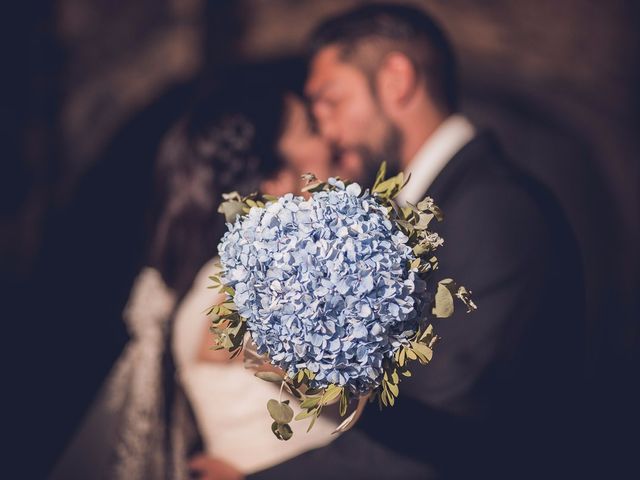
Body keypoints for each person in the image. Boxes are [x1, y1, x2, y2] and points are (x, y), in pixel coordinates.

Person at [248, 4, 586, 479]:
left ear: (396, 80)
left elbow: (443, 426)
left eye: (330, 100)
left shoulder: (493, 207)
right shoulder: (420, 209)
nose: (323, 127)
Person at [49, 58, 339, 480]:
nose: (330, 137)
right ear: (276, 177)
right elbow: (240, 347)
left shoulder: (223, 271)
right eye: (311, 128)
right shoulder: (254, 272)